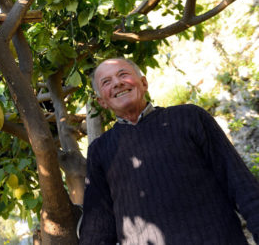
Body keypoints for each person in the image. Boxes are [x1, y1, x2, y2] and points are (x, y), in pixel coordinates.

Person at [79, 57, 259, 245]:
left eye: (123, 74)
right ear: (102, 102)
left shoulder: (190, 118)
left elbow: (240, 183)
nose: (117, 83)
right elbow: (98, 227)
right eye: (106, 82)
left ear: (144, 83)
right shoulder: (100, 151)